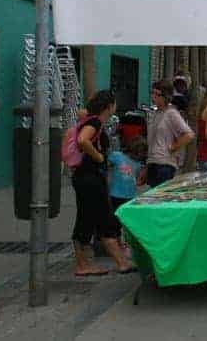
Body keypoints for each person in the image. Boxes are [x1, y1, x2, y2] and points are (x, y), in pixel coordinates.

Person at [71, 90, 136, 276]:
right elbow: (83, 140)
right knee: (94, 220)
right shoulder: (95, 122)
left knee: (97, 219)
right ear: (109, 106)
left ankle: (120, 262)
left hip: (88, 178)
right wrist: (98, 157)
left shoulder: (92, 120)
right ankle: (84, 265)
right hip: (89, 178)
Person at [147, 80, 194, 186]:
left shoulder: (171, 113)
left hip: (165, 164)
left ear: (165, 96)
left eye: (157, 94)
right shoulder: (155, 114)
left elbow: (189, 134)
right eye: (152, 93)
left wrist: (173, 146)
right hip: (153, 162)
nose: (154, 97)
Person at [108, 136, 147, 248]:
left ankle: (123, 241)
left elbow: (140, 180)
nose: (140, 156)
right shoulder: (117, 156)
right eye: (139, 153)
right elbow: (106, 164)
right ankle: (117, 241)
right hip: (115, 194)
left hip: (130, 195)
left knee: (126, 220)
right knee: (115, 220)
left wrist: (146, 169)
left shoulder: (139, 164)